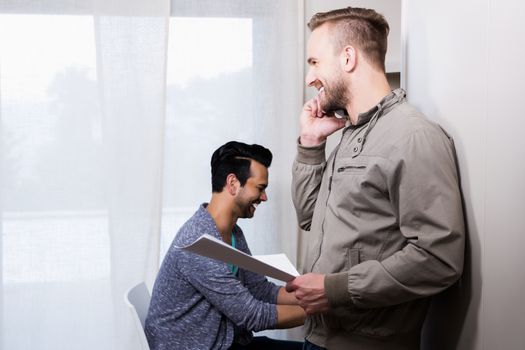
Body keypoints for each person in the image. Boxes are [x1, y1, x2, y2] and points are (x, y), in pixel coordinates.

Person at [286, 7, 465, 350]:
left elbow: (439, 258)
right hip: (320, 337)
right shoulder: (348, 136)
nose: (311, 78)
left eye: (314, 62)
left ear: (348, 57)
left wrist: (333, 290)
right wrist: (311, 144)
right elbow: (311, 217)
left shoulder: (413, 136)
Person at [145, 141, 305, 350]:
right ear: (232, 183)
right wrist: (320, 310)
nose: (264, 197)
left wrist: (317, 295)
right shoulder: (197, 243)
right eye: (260, 188)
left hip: (226, 342)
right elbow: (252, 315)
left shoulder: (233, 233)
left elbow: (260, 289)